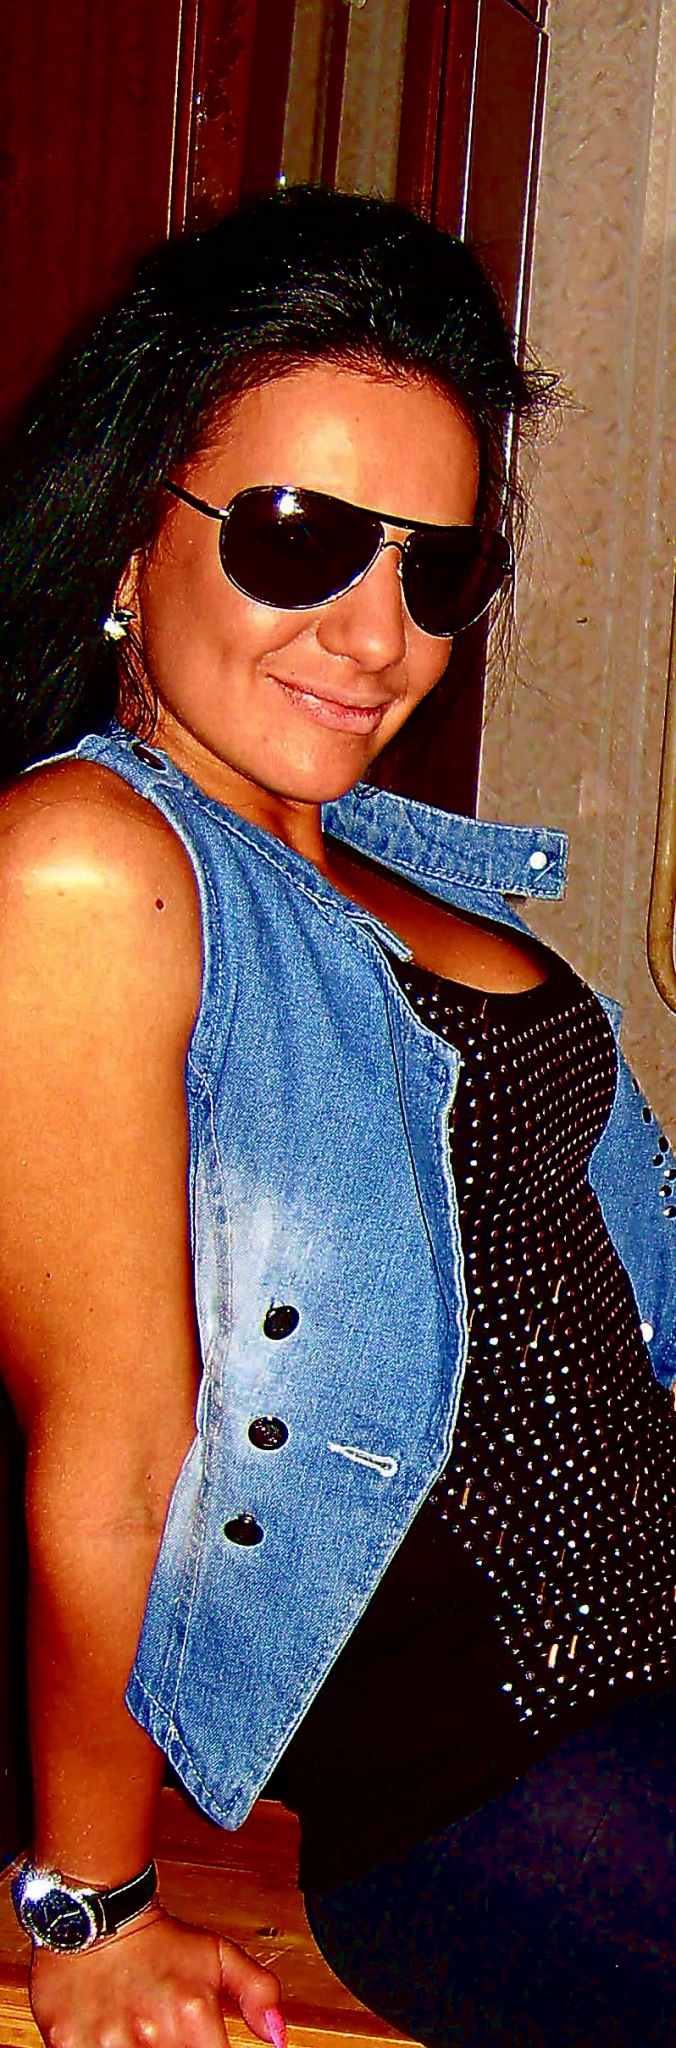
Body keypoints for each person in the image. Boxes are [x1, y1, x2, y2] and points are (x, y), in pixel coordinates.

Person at [0, 185, 674, 2048]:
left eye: (434, 571)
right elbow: (113, 1455)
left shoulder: (391, 864)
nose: (376, 637)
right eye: (301, 541)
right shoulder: (89, 866)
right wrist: (89, 1906)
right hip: (501, 1790)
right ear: (132, 530)